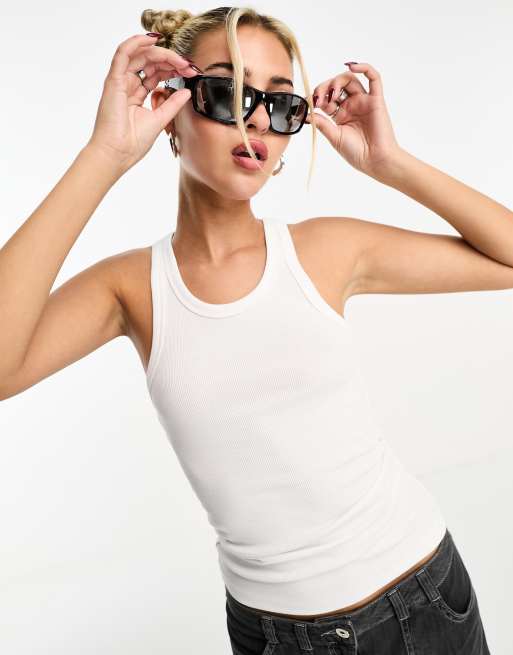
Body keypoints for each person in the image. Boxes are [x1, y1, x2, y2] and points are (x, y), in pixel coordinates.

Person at [3, 4, 507, 653]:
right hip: (269, 633)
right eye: (227, 93)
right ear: (169, 108)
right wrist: (104, 155)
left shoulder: (325, 250)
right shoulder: (130, 288)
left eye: (280, 104)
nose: (258, 122)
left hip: (417, 601)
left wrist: (390, 163)